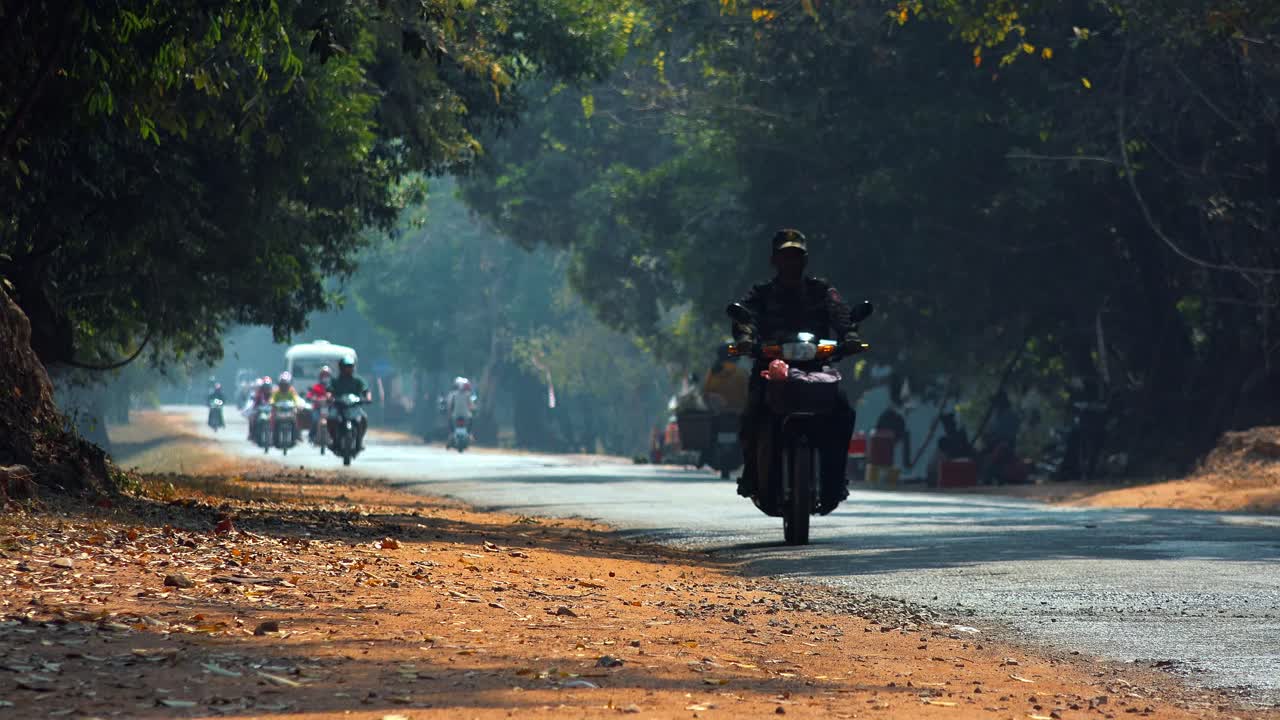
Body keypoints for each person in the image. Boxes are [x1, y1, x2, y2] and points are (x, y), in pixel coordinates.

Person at [731, 228, 861, 513]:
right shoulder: (761, 294)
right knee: (752, 413)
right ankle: (752, 474)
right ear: (774, 259)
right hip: (772, 371)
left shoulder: (822, 291)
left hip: (818, 372)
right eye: (785, 256)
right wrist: (745, 339)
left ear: (804, 260)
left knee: (842, 410)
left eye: (796, 256)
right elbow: (746, 318)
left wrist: (849, 337)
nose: (791, 262)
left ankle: (835, 480)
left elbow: (841, 316)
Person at [326, 356, 371, 451]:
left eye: (350, 367)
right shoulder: (335, 381)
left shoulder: (358, 380)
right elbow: (329, 391)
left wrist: (368, 398)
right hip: (338, 407)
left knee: (364, 419)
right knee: (330, 418)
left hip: (353, 407)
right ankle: (334, 440)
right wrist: (329, 397)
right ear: (341, 368)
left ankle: (359, 440)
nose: (348, 369)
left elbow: (366, 390)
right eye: (346, 367)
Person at [703, 344, 750, 413]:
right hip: (738, 417)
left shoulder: (712, 373)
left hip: (717, 418)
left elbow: (705, 395)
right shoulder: (741, 374)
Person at [305, 366, 332, 442]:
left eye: (327, 375)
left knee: (335, 419)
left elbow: (336, 395)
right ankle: (312, 435)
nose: (325, 377)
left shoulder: (332, 387)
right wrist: (312, 398)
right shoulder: (316, 387)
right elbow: (310, 395)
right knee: (315, 419)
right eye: (324, 375)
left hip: (329, 409)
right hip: (318, 409)